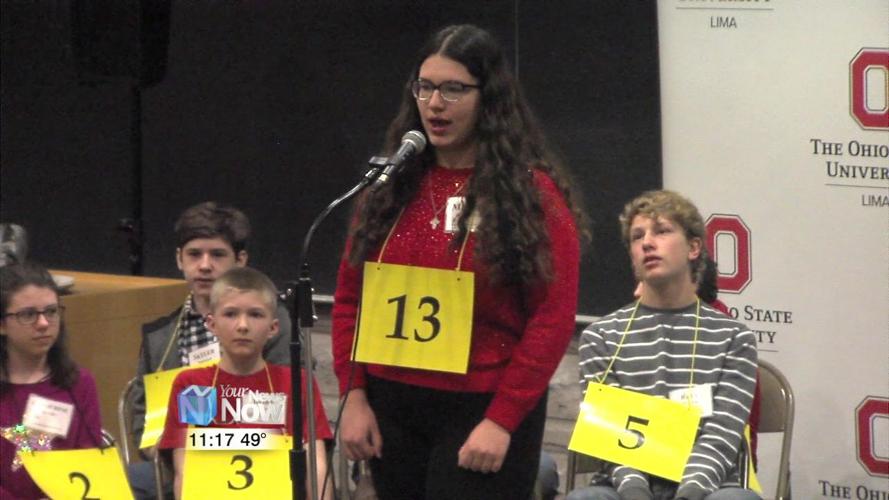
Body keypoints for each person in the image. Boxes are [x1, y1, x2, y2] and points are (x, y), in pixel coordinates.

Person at [332, 24, 587, 500]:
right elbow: (350, 300)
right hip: (390, 407)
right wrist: (354, 396)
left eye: (453, 89)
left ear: (487, 98)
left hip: (482, 410)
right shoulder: (388, 187)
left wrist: (502, 419)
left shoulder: (531, 196)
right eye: (425, 87)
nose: (434, 104)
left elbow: (551, 318)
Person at [569, 190, 759, 500]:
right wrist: (635, 491)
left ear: (693, 247)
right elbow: (611, 435)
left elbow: (722, 435)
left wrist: (689, 492)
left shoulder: (733, 337)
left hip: (707, 488)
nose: (647, 243)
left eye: (662, 231)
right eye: (637, 236)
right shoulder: (601, 336)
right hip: (623, 488)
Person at [128, 201, 293, 498]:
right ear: (179, 259)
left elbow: (289, 401)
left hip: (259, 458)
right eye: (194, 255)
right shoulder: (159, 336)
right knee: (120, 482)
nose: (204, 265)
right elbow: (142, 419)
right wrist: (166, 448)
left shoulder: (270, 321)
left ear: (241, 260)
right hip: (179, 458)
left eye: (217, 254)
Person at [158, 267, 333, 499]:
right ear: (211, 324)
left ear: (273, 328)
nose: (242, 325)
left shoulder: (295, 383)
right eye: (230, 314)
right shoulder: (195, 386)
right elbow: (186, 470)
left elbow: (316, 466)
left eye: (255, 314)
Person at [0, 262, 103, 499]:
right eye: (28, 315)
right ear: (2, 324)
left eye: (51, 311)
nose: (44, 323)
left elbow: (90, 460)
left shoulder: (79, 382)